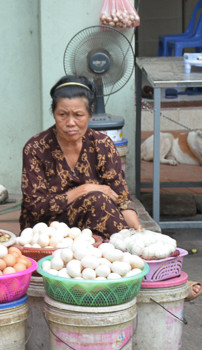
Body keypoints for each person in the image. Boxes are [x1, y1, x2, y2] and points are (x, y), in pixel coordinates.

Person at [19, 76, 143, 237]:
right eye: (62, 114)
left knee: (102, 204)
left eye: (78, 115)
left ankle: (122, 246)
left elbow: (121, 199)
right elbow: (35, 208)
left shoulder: (102, 145)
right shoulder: (36, 148)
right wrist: (85, 189)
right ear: (54, 113)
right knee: (98, 199)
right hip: (46, 232)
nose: (70, 122)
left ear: (90, 112)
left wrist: (139, 232)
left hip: (94, 223)